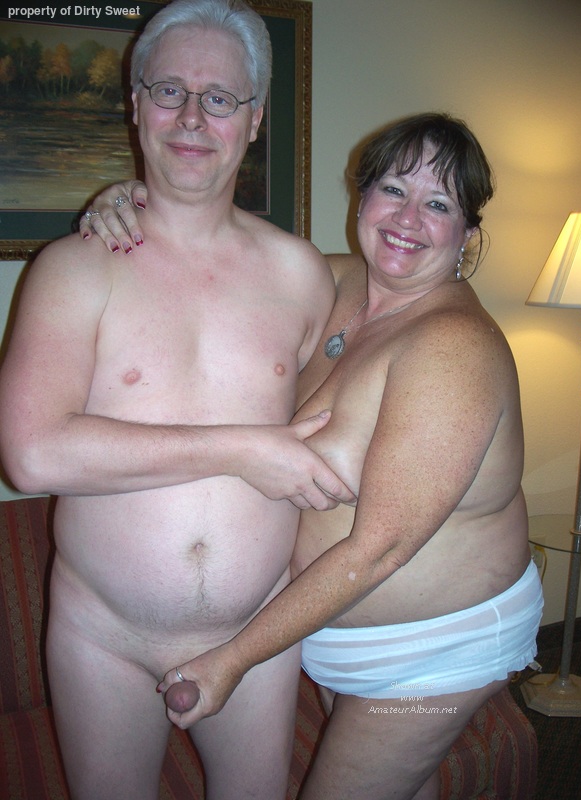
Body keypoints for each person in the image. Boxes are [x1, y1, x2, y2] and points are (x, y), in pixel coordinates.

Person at [84, 112, 543, 800]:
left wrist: (233, 660)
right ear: (362, 197)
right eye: (394, 189)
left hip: (434, 651)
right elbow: (216, 256)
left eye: (439, 204)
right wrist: (133, 202)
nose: (407, 218)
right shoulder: (334, 282)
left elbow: (382, 548)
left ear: (467, 234)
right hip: (335, 632)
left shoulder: (454, 347)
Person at [0, 2, 357, 799]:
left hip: (255, 630)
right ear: (136, 106)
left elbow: (393, 293)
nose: (193, 117)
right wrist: (243, 449)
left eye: (220, 98)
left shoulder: (302, 273)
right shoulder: (74, 268)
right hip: (104, 635)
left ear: (255, 120)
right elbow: (31, 454)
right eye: (169, 91)